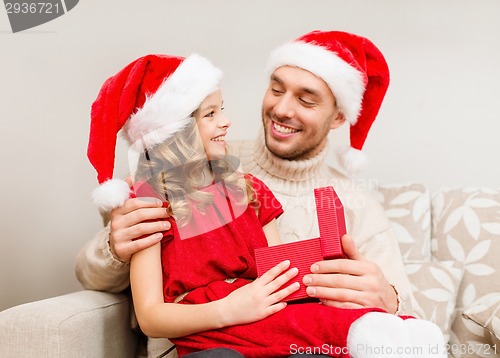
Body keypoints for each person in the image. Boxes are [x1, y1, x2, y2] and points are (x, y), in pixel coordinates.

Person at [78, 31, 446, 357]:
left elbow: (407, 313)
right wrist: (114, 247)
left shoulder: (355, 204)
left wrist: (388, 298)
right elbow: (100, 280)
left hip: (286, 336)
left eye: (307, 100)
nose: (282, 108)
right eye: (276, 88)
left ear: (337, 118)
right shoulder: (176, 175)